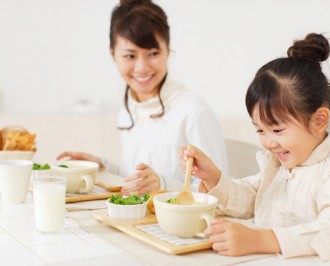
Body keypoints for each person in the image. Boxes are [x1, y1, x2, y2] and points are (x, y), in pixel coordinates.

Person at [179, 33, 330, 261]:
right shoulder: (277, 165)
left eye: (277, 130)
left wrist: (260, 240)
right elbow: (251, 198)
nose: (268, 142)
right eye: (260, 130)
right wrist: (213, 177)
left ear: (319, 120)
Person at [57, 0, 228, 195]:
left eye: (153, 53)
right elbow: (138, 181)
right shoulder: (129, 109)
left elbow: (219, 195)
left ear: (168, 50)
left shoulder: (193, 112)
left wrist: (162, 185)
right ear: (113, 54)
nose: (142, 68)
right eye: (130, 56)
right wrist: (103, 167)